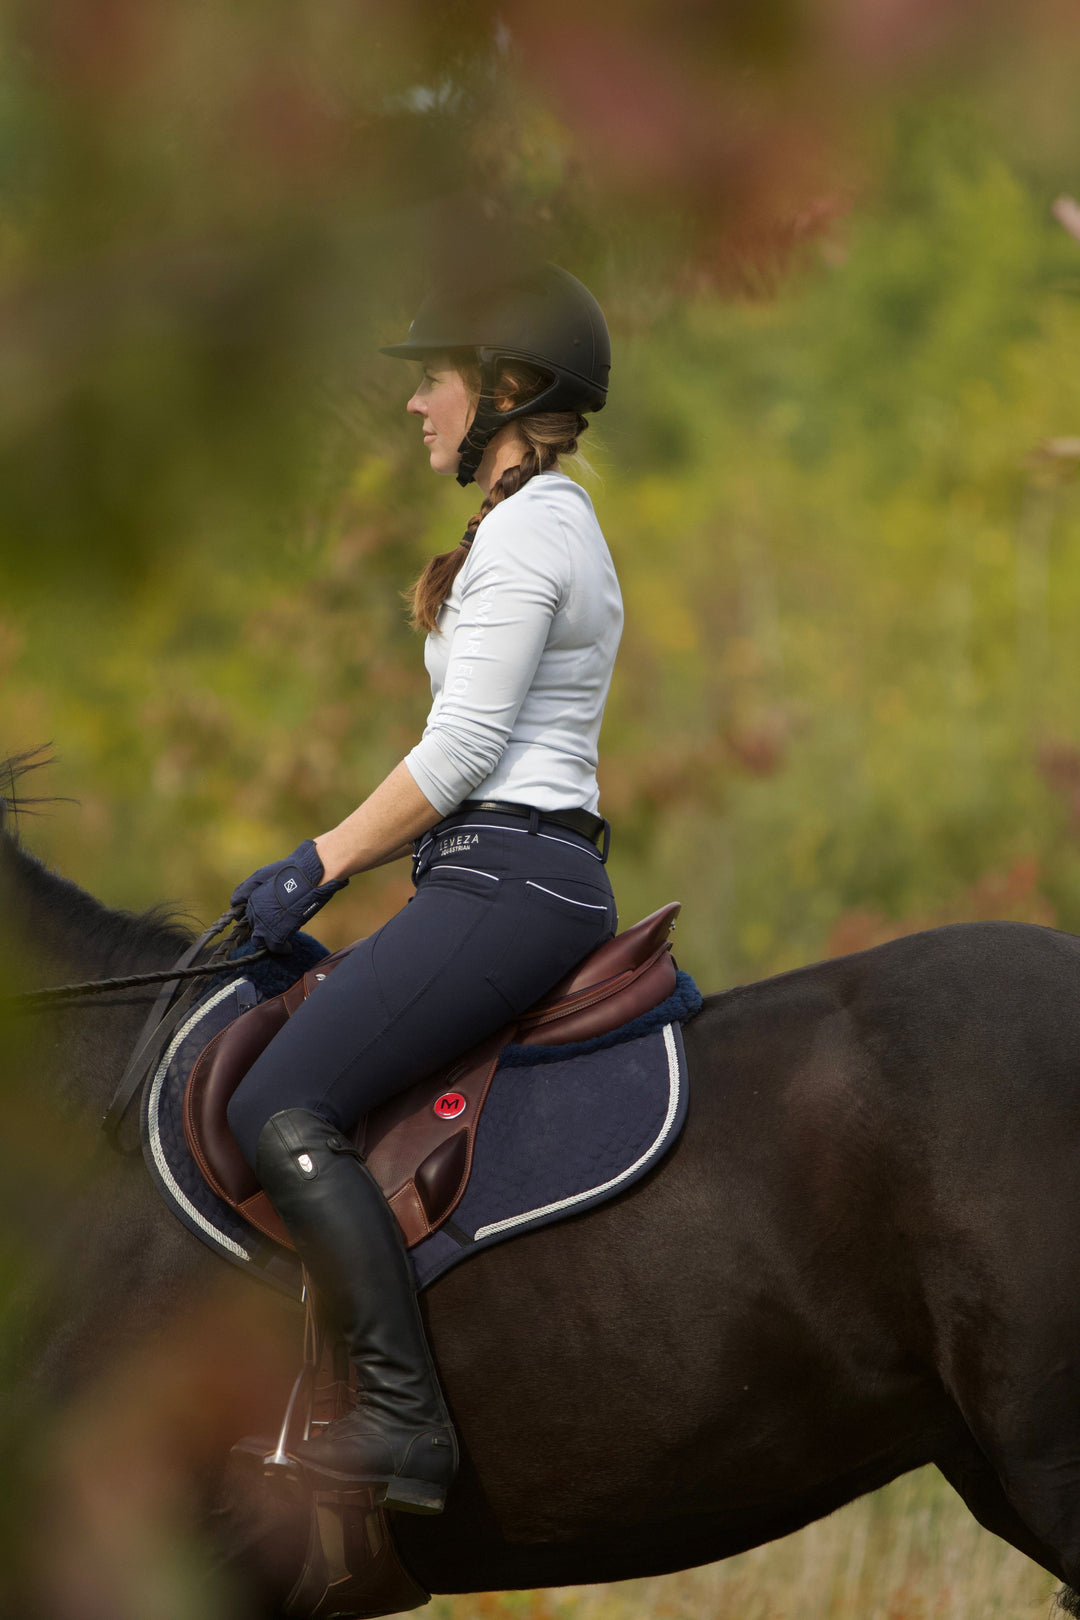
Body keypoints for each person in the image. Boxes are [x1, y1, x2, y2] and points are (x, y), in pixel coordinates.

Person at [227, 263, 623, 1516]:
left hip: (509, 871)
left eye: (435, 379)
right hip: (495, 871)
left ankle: (403, 1422)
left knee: (281, 1101)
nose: (416, 405)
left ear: (508, 390)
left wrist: (316, 863)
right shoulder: (534, 525)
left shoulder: (529, 532)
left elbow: (457, 758)